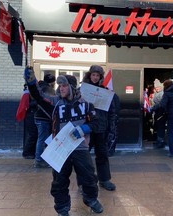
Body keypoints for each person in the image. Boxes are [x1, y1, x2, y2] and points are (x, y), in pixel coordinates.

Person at [24, 66, 103, 216]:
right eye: (60, 85)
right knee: (59, 181)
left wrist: (82, 130)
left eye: (64, 85)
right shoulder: (54, 103)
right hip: (60, 149)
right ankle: (62, 209)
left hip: (80, 148)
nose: (61, 88)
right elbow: (38, 96)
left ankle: (90, 199)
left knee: (89, 177)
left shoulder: (86, 104)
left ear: (72, 87)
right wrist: (31, 82)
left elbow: (96, 123)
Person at [81, 65, 116, 191]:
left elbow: (112, 111)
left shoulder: (106, 91)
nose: (95, 77)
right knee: (83, 156)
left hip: (101, 128)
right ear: (89, 75)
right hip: (87, 128)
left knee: (102, 155)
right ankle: (84, 182)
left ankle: (104, 180)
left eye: (98, 75)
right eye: (93, 75)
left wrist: (111, 127)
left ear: (101, 77)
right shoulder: (83, 90)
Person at [151, 79, 173, 160]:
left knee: (170, 134)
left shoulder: (167, 94)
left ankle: (172, 152)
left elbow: (162, 105)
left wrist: (153, 108)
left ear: (166, 86)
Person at [33, 73, 56, 168]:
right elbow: (50, 104)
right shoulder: (48, 90)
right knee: (43, 139)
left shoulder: (40, 87)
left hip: (39, 117)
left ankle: (41, 159)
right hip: (44, 118)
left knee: (42, 138)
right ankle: (39, 160)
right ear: (51, 82)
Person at [16, 84, 38, 159]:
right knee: (33, 135)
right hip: (31, 116)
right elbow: (29, 105)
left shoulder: (27, 95)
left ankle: (30, 152)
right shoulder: (28, 95)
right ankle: (27, 152)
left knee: (33, 135)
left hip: (30, 116)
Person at [152, 79, 166, 149]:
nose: (157, 89)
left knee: (160, 128)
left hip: (161, 113)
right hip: (158, 113)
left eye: (158, 87)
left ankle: (161, 142)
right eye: (156, 88)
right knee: (159, 127)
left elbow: (160, 104)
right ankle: (159, 141)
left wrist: (153, 108)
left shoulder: (162, 94)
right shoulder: (157, 93)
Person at [107, 93, 120, 157]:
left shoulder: (113, 96)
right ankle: (110, 150)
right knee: (112, 134)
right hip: (112, 117)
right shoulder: (115, 96)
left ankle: (110, 150)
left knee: (112, 133)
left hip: (111, 117)